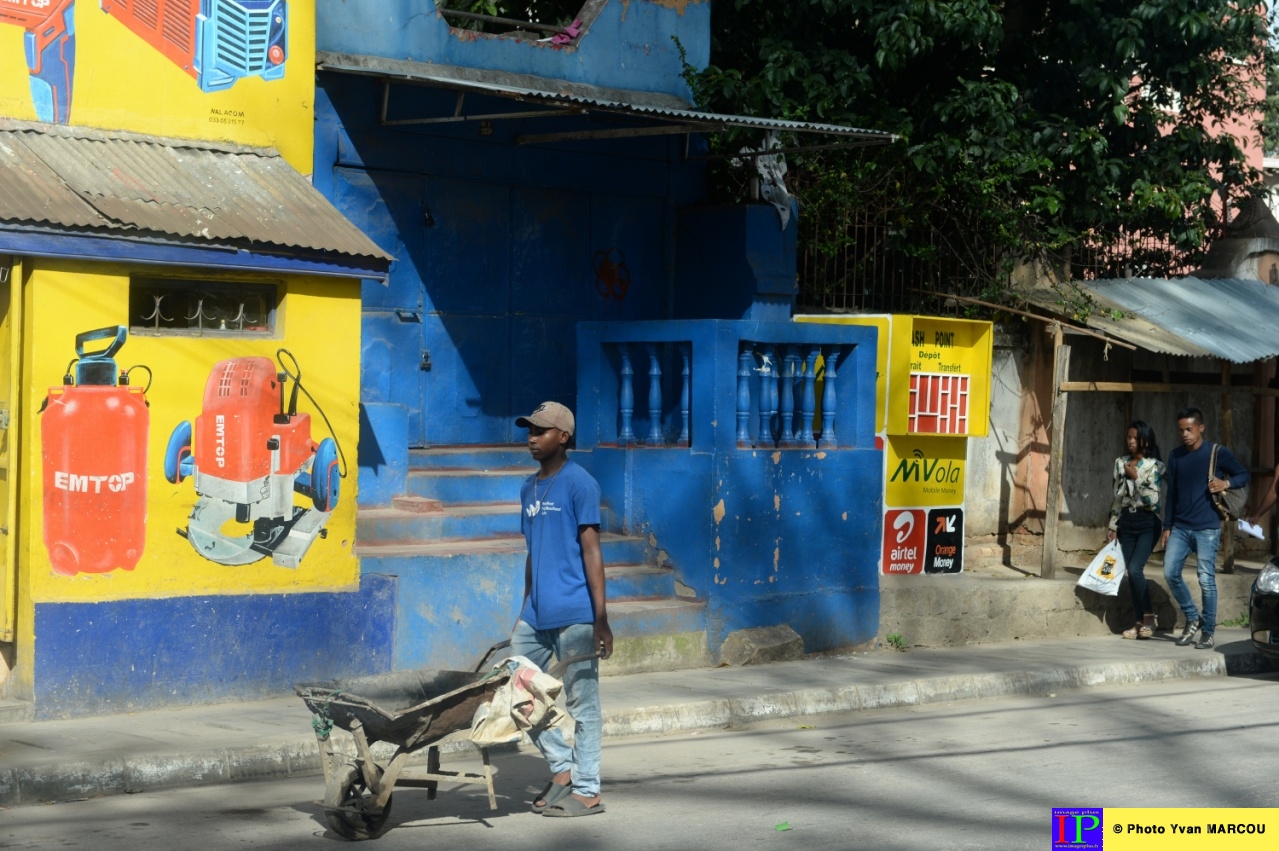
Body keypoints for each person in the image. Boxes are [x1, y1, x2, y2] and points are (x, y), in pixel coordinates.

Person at [510, 401, 612, 818]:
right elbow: (533, 553)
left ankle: (588, 788)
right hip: (535, 615)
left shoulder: (580, 483)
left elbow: (592, 553)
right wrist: (523, 608)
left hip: (575, 615)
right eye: (529, 430)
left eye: (541, 430)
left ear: (563, 437)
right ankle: (562, 767)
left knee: (583, 704)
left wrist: (601, 618)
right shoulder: (527, 488)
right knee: (511, 690)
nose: (532, 437)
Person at [1159, 407, 1250, 650]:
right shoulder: (1176, 456)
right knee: (1170, 572)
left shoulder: (1217, 453)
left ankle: (1208, 631)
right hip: (1180, 526)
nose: (1185, 434)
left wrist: (1226, 482)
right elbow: (1172, 494)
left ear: (1201, 427)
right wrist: (1167, 526)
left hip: (1207, 528)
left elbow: (1244, 474)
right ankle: (1192, 617)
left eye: (1189, 429)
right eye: (1181, 430)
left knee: (1206, 579)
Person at [1105, 421, 1165, 640]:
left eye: (1134, 438)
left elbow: (1155, 500)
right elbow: (1118, 497)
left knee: (1135, 569)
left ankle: (1149, 618)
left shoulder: (1155, 465)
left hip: (1148, 521)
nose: (1130, 441)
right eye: (1128, 437)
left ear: (1145, 441)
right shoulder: (1120, 463)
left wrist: (1136, 478)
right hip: (1127, 522)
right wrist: (1113, 525)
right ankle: (1140, 621)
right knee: (1130, 574)